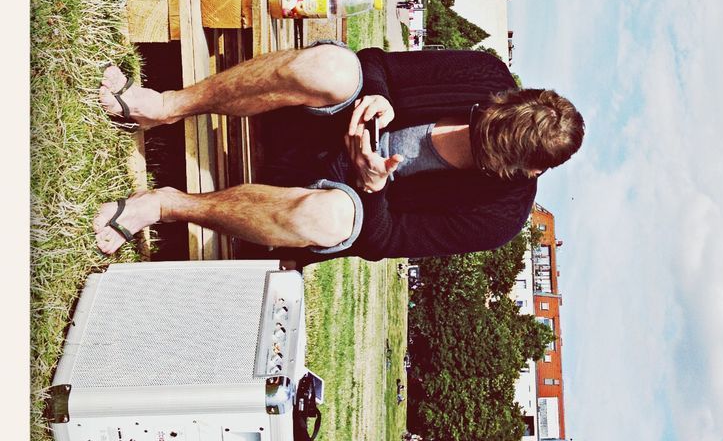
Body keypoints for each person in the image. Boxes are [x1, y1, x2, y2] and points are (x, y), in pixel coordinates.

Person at [91, 42, 585, 263]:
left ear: (527, 171)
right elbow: (375, 62)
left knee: (331, 222)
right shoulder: (485, 75)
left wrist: (371, 186)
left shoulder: (498, 217)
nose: (467, 135)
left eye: (482, 154)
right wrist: (379, 94)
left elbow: (382, 242)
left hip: (324, 196)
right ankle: (164, 106)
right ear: (506, 99)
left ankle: (166, 205)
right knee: (334, 67)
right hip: (303, 119)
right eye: (477, 121)